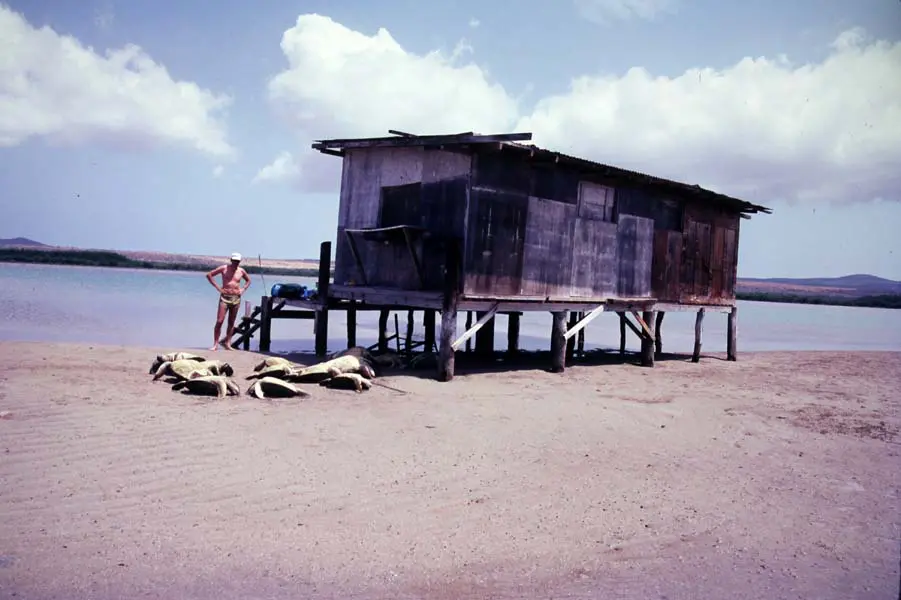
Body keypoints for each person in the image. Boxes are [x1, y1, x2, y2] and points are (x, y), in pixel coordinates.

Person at [206, 252, 251, 350]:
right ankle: (215, 344)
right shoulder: (224, 268)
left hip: (236, 298)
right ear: (231, 260)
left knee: (231, 322)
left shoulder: (241, 271)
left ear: (239, 261)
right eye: (234, 260)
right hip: (224, 297)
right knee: (220, 321)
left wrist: (243, 289)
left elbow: (248, 280)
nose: (236, 262)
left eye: (237, 261)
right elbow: (209, 275)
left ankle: (228, 343)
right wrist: (218, 288)